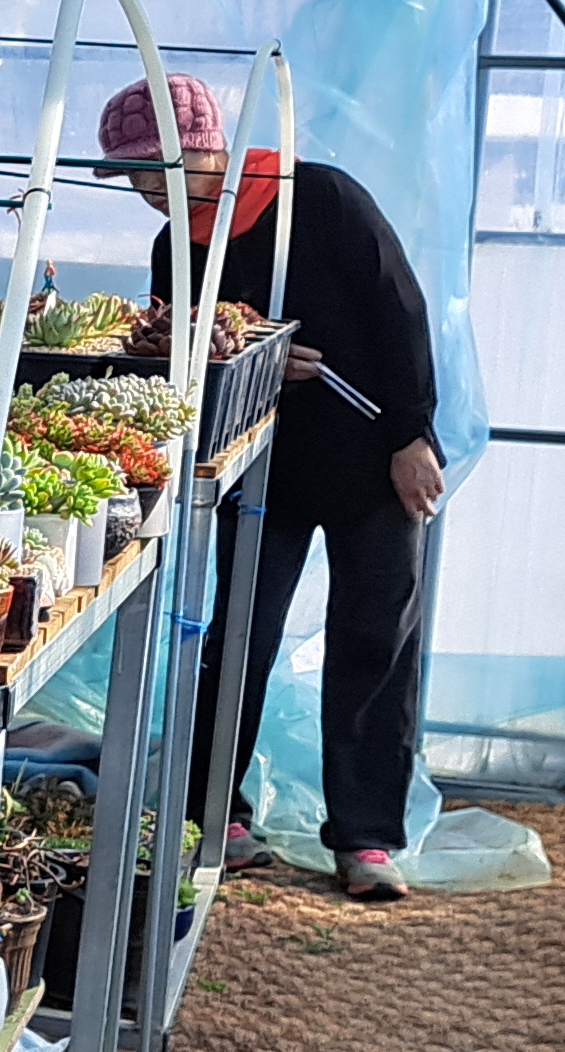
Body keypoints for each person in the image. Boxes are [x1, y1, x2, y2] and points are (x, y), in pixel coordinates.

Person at [98, 74, 442, 903]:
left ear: (211, 148)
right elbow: (182, 357)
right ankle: (215, 815)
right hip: (263, 474)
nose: (149, 189)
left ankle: (365, 839)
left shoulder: (319, 198)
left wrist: (412, 433)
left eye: (162, 168)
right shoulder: (176, 247)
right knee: (237, 639)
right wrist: (251, 357)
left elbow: (399, 310)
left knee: (375, 641)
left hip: (373, 462)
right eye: (133, 174)